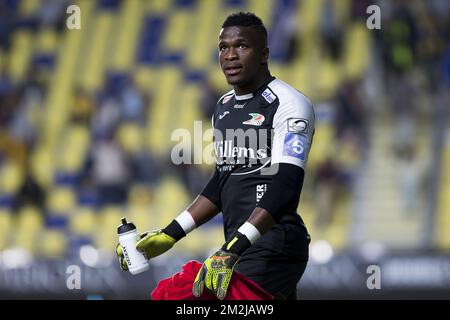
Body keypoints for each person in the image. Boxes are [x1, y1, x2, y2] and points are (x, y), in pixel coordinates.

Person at [116, 12, 315, 300]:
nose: (230, 55)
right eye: (224, 47)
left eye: (242, 46)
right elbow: (222, 180)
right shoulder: (223, 107)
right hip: (239, 248)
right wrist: (170, 234)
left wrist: (232, 248)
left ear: (264, 54)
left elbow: (286, 186)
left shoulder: (289, 102)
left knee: (175, 297)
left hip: (273, 243)